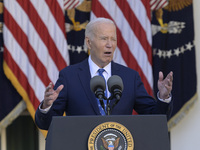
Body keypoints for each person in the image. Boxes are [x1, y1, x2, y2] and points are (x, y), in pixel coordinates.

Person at [35, 18, 173, 130]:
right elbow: (46, 124)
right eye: (104, 38)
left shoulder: (130, 77)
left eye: (113, 39)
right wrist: (46, 106)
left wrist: (163, 97)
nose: (110, 44)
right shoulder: (69, 76)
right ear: (89, 42)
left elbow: (156, 117)